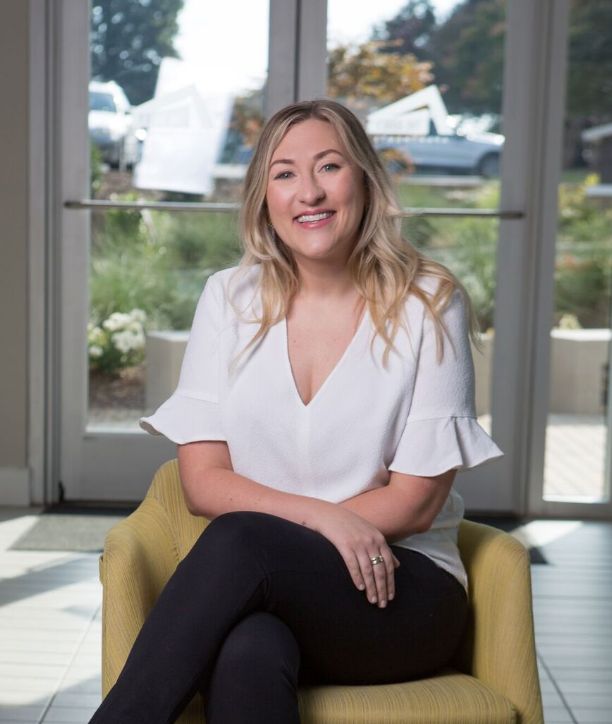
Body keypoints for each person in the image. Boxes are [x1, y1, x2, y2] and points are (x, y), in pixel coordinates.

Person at [89, 99, 503, 724]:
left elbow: (416, 502)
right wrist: (324, 520)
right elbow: (202, 483)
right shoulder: (228, 298)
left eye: (329, 166)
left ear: (363, 178)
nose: (308, 191)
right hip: (269, 591)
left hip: (400, 589)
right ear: (263, 198)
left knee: (240, 541)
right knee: (248, 650)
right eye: (284, 174)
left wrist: (292, 532)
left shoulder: (429, 300)